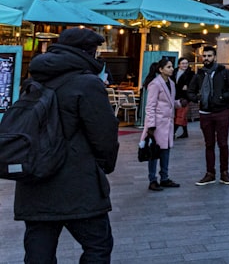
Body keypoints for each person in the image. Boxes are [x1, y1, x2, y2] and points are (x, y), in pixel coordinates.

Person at [14, 28, 119, 262]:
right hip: (77, 183)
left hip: (35, 179)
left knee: (38, 253)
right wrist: (102, 166)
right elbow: (104, 135)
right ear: (88, 52)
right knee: (98, 245)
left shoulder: (34, 80)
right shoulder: (87, 84)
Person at [187, 45, 229, 186]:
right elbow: (190, 91)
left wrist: (223, 97)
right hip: (205, 113)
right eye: (204, 56)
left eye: (209, 56)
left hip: (221, 111)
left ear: (214, 57)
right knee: (209, 144)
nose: (206, 59)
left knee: (223, 143)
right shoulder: (199, 74)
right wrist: (198, 98)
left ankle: (224, 173)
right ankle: (210, 173)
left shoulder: (223, 72)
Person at [141, 57, 182, 191]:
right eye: (169, 67)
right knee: (154, 152)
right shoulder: (155, 84)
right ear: (161, 69)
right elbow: (150, 106)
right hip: (158, 123)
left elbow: (170, 102)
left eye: (172, 67)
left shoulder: (170, 82)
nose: (171, 69)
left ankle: (164, 177)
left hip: (168, 123)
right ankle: (152, 180)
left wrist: (180, 103)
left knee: (165, 151)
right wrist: (151, 125)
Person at [173, 57, 194, 138]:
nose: (185, 65)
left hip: (185, 98)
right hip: (175, 96)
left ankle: (172, 133)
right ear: (179, 65)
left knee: (180, 115)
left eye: (186, 63)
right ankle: (185, 133)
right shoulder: (174, 71)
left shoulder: (191, 73)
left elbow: (194, 84)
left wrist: (188, 86)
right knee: (180, 115)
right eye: (183, 63)